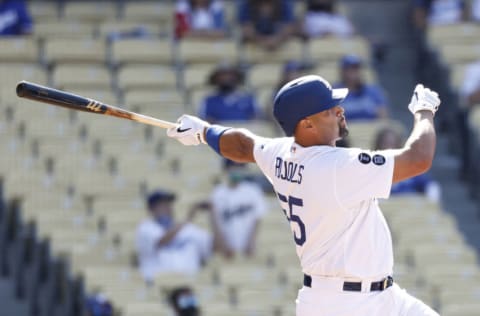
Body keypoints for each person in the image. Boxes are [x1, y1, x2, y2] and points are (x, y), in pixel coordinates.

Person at [166, 74, 441, 315]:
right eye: (330, 109)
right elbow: (418, 158)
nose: (340, 111)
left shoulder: (280, 152)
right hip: (344, 305)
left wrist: (204, 131)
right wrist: (424, 110)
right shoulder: (336, 166)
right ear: (307, 124)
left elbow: (241, 145)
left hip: (381, 297)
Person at [135, 190, 215, 280]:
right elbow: (161, 241)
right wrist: (188, 219)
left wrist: (213, 214)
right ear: (151, 209)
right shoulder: (146, 228)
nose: (167, 207)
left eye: (168, 203)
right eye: (162, 204)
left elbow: (217, 248)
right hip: (158, 285)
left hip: (188, 284)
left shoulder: (189, 229)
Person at [210, 159, 267, 257]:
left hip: (248, 244)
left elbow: (258, 218)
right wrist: (223, 244)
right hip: (227, 246)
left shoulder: (253, 190)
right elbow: (215, 221)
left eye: (240, 167)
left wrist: (251, 241)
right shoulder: (218, 193)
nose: (237, 170)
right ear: (226, 169)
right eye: (234, 167)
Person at [374, 127, 441, 202]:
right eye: (386, 144)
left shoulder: (410, 169)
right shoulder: (371, 172)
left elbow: (431, 186)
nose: (390, 148)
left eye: (394, 144)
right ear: (378, 147)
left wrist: (430, 204)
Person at [334, 54, 388, 121]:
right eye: (349, 68)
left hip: (370, 129)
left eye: (356, 68)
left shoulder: (374, 91)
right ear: (342, 71)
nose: (353, 72)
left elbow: (383, 117)